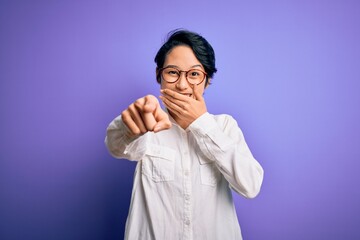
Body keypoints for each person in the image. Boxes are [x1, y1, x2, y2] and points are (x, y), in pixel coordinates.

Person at [105, 29, 264, 240]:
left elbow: (250, 185)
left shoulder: (225, 126)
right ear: (158, 75)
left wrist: (201, 123)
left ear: (207, 81)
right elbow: (115, 145)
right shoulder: (149, 123)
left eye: (194, 74)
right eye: (172, 72)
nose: (182, 85)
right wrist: (129, 124)